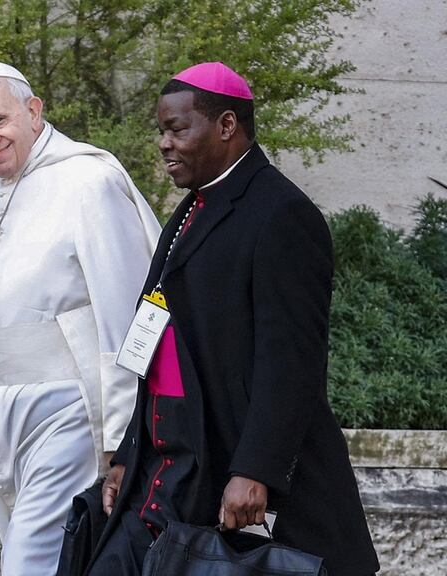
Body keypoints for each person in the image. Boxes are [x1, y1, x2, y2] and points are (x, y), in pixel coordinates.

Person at [87, 62, 379, 574]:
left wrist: (256, 470)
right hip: (165, 463)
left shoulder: (281, 212)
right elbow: (154, 348)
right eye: (162, 130)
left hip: (226, 468)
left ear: (226, 126)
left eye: (177, 129)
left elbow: (290, 360)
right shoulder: (191, 209)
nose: (164, 143)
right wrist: (127, 456)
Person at [0, 62, 160, 574]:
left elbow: (123, 318)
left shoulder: (89, 180)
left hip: (71, 405)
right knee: (50, 555)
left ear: (33, 111)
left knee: (29, 560)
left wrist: (122, 440)